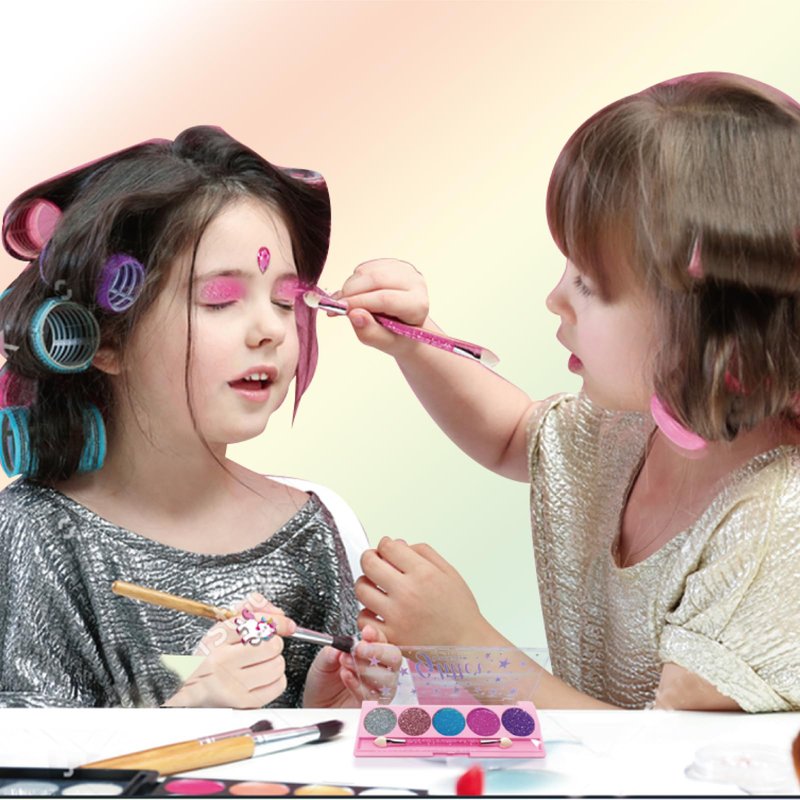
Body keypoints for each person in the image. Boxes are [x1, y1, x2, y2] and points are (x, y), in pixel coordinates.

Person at [337, 73, 800, 712]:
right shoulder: (633, 427)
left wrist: (465, 643)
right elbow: (513, 434)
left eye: (588, 284)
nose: (555, 298)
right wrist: (415, 342)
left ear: (706, 328)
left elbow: (666, 757)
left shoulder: (775, 526)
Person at [0, 126, 379, 709]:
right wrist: (187, 715)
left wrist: (334, 712)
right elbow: (27, 761)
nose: (271, 329)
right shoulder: (34, 534)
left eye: (284, 300)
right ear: (107, 340)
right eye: (220, 300)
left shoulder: (316, 525)